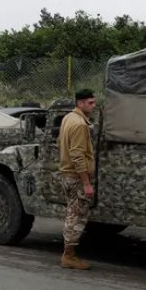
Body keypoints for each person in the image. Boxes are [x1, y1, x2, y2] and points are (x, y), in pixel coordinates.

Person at [58, 89, 97, 270]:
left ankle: (69, 254)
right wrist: (86, 183)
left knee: (72, 213)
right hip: (76, 177)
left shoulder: (68, 118)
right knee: (76, 215)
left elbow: (61, 143)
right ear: (80, 103)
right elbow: (78, 156)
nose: (93, 106)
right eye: (90, 103)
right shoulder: (80, 124)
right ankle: (69, 256)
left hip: (68, 175)